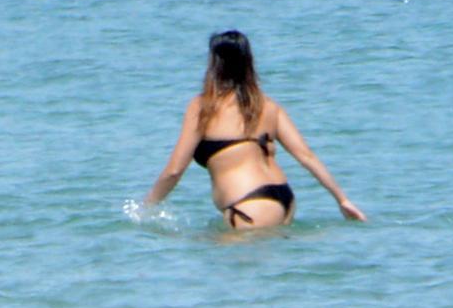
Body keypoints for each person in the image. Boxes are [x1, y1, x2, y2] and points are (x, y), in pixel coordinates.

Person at [146, 28, 366, 231]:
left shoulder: (203, 107)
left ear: (215, 64)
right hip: (285, 201)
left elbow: (174, 170)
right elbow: (306, 156)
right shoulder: (268, 106)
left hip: (248, 207)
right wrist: (342, 199)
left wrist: (146, 208)